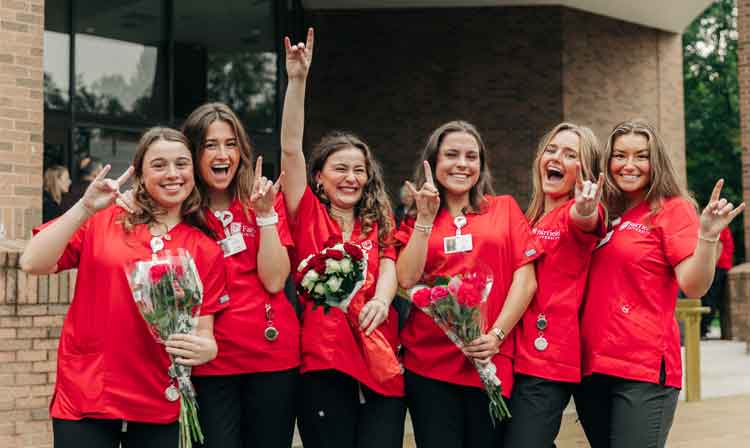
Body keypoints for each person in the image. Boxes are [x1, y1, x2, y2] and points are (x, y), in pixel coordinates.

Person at [19, 127, 228, 448]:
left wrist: (206, 348)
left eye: (181, 164)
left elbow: (204, 331)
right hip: (87, 394)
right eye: (159, 165)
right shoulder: (103, 219)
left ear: (194, 172)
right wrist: (84, 208)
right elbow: (32, 261)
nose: (172, 174)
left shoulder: (205, 248)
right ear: (140, 175)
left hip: (159, 400)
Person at [575, 119, 744, 448]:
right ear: (607, 161)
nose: (629, 165)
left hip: (643, 368)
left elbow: (693, 286)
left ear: (656, 162)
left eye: (641, 156)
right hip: (592, 365)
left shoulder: (672, 209)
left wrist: (707, 236)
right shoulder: (603, 211)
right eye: (620, 155)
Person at [281, 28, 406, 448]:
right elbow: (290, 150)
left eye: (358, 170)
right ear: (319, 176)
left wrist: (381, 300)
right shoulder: (307, 214)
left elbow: (389, 263)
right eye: (340, 168)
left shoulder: (378, 218)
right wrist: (298, 81)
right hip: (325, 364)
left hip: (380, 359)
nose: (351, 178)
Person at [396, 120, 542, 447]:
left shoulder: (504, 208)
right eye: (451, 155)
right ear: (433, 163)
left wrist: (496, 335)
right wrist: (423, 218)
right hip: (429, 366)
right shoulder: (415, 218)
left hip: (490, 359)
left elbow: (526, 279)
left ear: (481, 165)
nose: (462, 163)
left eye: (471, 156)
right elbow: (406, 278)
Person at [181, 102, 299, 448]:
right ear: (193, 152)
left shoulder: (261, 199)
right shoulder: (181, 209)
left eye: (231, 144)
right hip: (210, 363)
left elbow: (276, 280)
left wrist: (265, 217)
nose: (222, 154)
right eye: (210, 145)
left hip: (271, 357)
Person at [504, 123, 605, 447]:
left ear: (584, 170)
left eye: (570, 154)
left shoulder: (572, 215)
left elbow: (586, 220)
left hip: (546, 362)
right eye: (551, 149)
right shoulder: (529, 217)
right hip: (512, 356)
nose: (556, 157)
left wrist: (585, 209)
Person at [701, 226, 734, 338]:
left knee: (710, 297)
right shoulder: (723, 226)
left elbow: (718, 246)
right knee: (712, 297)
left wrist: (711, 266)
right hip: (722, 266)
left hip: (718, 267)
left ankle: (703, 329)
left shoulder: (720, 226)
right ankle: (704, 328)